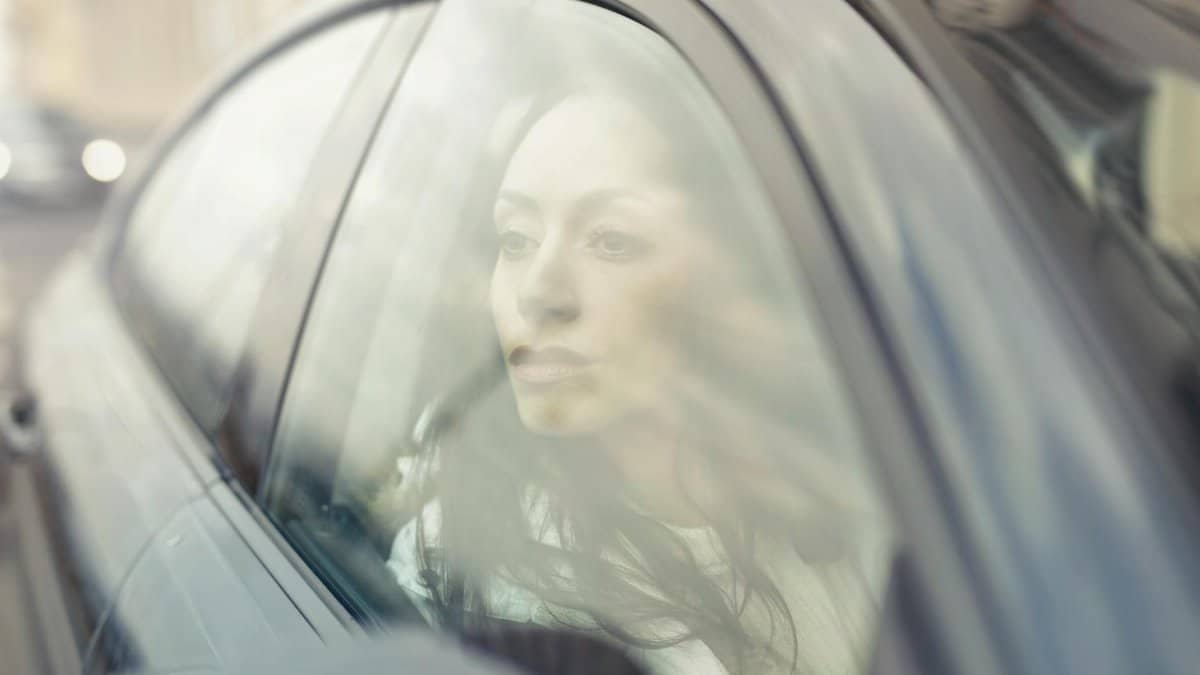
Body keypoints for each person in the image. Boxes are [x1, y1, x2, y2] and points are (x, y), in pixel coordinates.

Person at [381, 9, 891, 674]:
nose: (540, 291)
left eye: (611, 239)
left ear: (729, 273)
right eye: (515, 239)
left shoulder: (866, 507)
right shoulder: (453, 566)